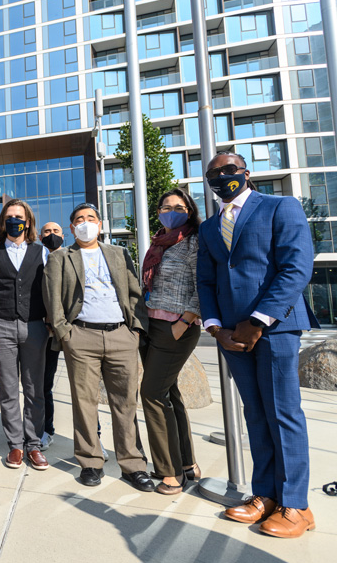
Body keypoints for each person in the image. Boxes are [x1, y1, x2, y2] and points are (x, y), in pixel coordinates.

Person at [197, 152, 317, 538]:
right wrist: (216, 329)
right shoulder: (210, 227)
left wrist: (258, 320)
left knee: (283, 414)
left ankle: (296, 504)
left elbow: (297, 266)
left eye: (229, 169)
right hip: (232, 337)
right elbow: (207, 281)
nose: (221, 176)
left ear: (246, 173)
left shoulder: (281, 207)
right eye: (213, 173)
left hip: (275, 328)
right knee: (256, 415)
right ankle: (264, 495)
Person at [42, 203, 154, 491]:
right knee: (84, 402)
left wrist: (136, 330)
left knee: (126, 402)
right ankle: (90, 461)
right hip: (81, 338)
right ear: (72, 228)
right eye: (79, 219)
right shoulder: (61, 258)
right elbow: (53, 299)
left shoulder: (119, 253)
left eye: (90, 218)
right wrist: (65, 333)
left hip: (121, 335)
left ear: (100, 224)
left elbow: (133, 291)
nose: (85, 223)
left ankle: (133, 464)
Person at [138, 188, 202, 495]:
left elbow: (204, 284)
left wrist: (185, 320)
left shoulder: (193, 241)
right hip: (154, 325)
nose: (171, 211)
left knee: (151, 393)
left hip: (176, 327)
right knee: (169, 393)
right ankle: (187, 462)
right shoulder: (157, 243)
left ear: (189, 211)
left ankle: (170, 472)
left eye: (178, 206)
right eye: (165, 207)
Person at [0, 199, 49, 471]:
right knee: (9, 390)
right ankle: (16, 446)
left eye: (19, 217)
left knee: (35, 390)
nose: (14, 221)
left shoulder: (41, 253)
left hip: (35, 326)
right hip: (3, 326)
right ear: (2, 222)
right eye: (9, 217)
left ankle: (34, 445)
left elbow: (49, 290)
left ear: (28, 222)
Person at [39, 221, 64, 449]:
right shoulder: (36, 260)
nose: (52, 235)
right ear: (40, 237)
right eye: (47, 231)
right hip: (43, 334)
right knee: (43, 384)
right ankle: (46, 430)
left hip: (69, 330)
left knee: (83, 388)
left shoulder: (71, 258)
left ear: (63, 235)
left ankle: (93, 436)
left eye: (56, 231)